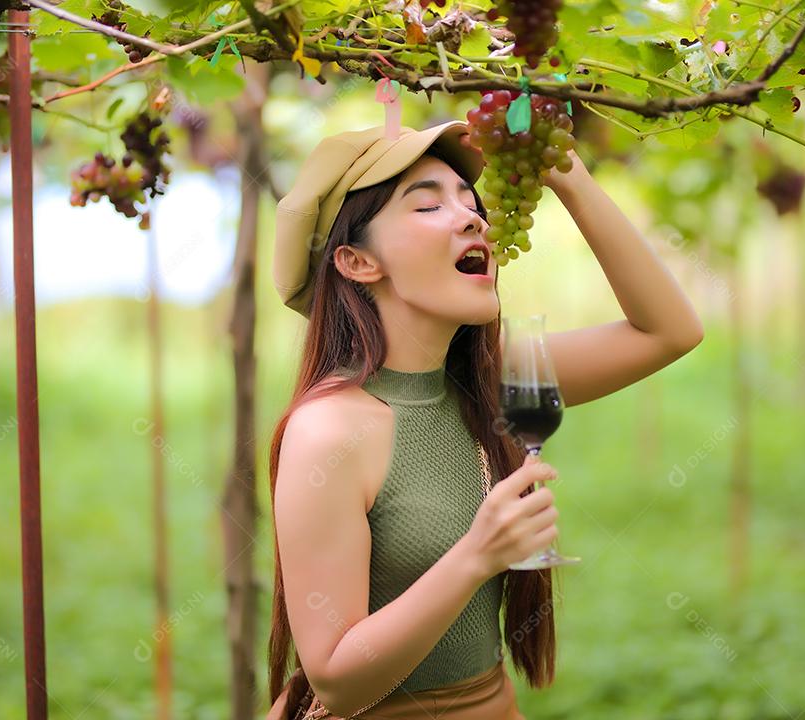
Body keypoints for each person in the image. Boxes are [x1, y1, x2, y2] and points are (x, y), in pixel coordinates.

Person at [266, 119, 704, 720]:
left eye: (470, 203)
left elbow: (670, 332)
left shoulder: (486, 382)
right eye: (427, 206)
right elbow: (338, 682)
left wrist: (566, 174)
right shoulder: (330, 432)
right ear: (357, 261)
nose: (474, 218)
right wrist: (478, 554)